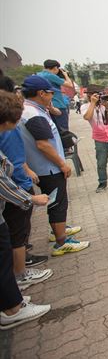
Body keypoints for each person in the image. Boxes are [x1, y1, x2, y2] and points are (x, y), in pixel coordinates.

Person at [18, 76, 90, 256]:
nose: (52, 96)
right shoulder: (33, 114)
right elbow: (42, 144)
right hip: (48, 167)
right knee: (58, 202)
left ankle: (58, 231)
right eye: (50, 93)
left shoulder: (31, 110)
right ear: (41, 93)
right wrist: (61, 163)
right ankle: (61, 242)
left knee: (55, 202)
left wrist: (50, 108)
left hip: (41, 166)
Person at [0, 91, 51, 330]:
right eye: (10, 125)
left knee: (8, 248)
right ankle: (12, 308)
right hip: (13, 198)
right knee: (4, 255)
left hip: (13, 196)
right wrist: (29, 199)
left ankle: (13, 298)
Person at [37, 59, 73, 131]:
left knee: (53, 130)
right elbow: (70, 85)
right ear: (55, 68)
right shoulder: (50, 75)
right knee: (63, 131)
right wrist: (66, 75)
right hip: (58, 104)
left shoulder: (38, 75)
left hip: (45, 105)